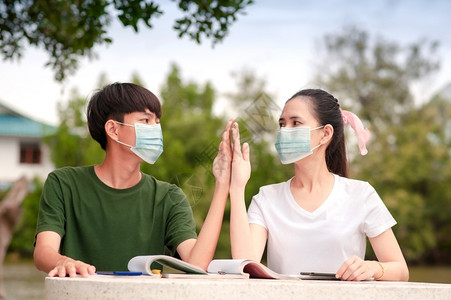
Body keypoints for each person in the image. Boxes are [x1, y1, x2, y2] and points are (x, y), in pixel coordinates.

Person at [34, 82, 233, 277]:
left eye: (157, 122)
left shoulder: (169, 197)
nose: (155, 129)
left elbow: (197, 263)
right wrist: (63, 262)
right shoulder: (64, 184)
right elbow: (43, 252)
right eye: (145, 121)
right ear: (113, 129)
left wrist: (222, 185)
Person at [229, 88, 409, 281]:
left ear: (325, 134)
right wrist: (237, 188)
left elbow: (401, 271)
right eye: (282, 124)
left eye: (295, 123)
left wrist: (372, 268)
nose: (284, 131)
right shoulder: (267, 198)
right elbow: (245, 265)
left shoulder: (361, 194)